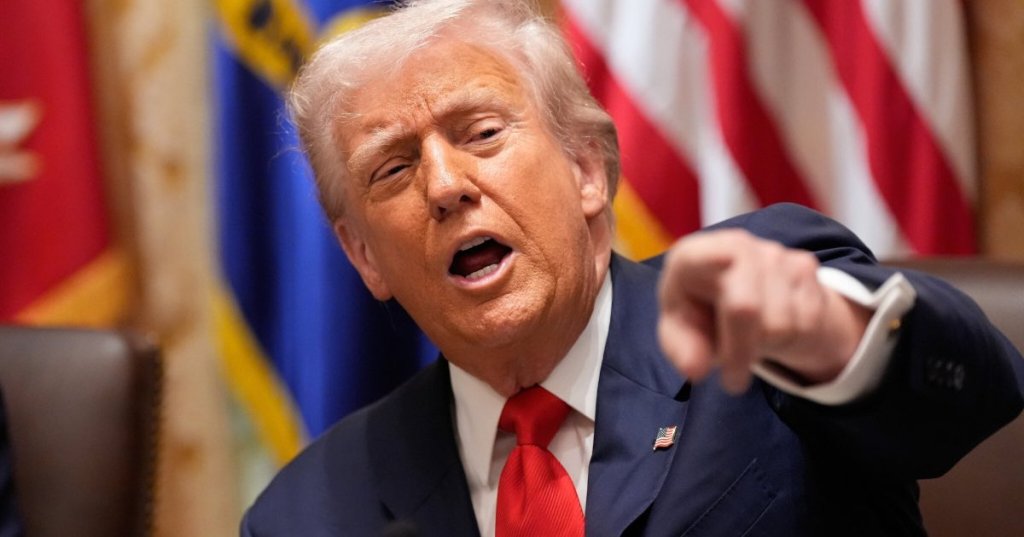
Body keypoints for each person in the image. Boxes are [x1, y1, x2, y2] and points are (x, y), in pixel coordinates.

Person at [241, 1, 1024, 535]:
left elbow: (977, 396)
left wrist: (840, 335)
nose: (445, 186)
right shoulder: (307, 512)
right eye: (393, 169)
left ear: (587, 167)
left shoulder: (765, 324)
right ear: (363, 254)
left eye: (480, 133)